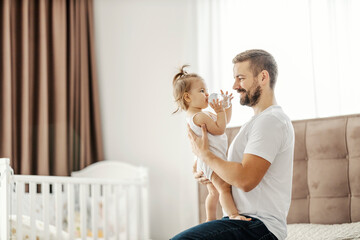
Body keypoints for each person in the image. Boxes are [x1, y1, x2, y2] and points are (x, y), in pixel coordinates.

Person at [171, 49, 295, 240]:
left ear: (263, 77)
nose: (235, 85)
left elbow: (245, 180)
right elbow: (228, 168)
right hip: (243, 221)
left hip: (258, 226)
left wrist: (206, 156)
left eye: (240, 78)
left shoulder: (271, 121)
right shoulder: (254, 123)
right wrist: (205, 168)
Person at [172, 65, 248, 222]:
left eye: (205, 90)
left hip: (207, 161)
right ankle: (233, 215)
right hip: (211, 161)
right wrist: (219, 111)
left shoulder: (200, 114)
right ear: (187, 97)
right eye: (201, 91)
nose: (206, 94)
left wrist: (226, 106)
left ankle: (210, 219)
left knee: (213, 192)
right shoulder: (199, 117)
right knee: (223, 188)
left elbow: (224, 122)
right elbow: (220, 129)